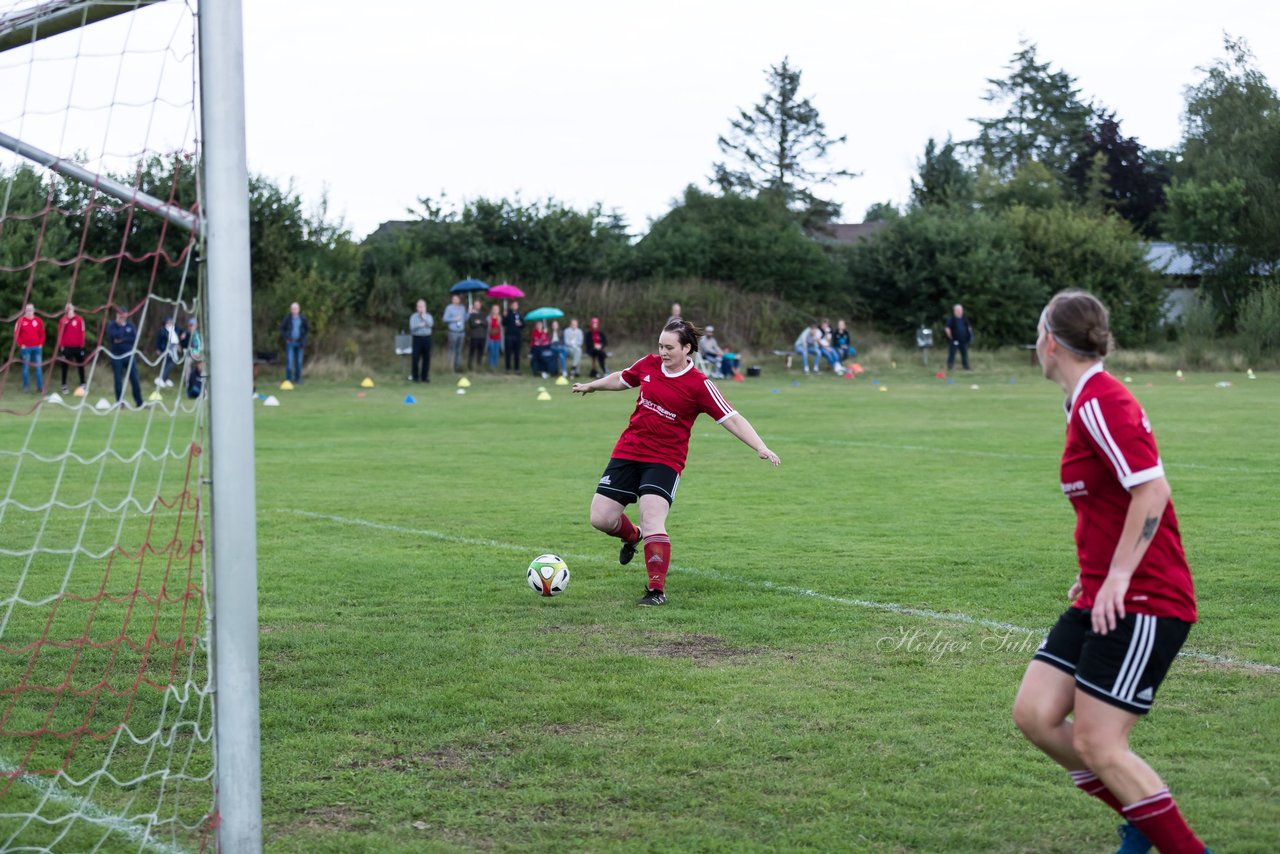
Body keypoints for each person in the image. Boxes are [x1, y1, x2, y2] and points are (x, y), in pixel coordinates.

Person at [1012, 290, 1209, 854]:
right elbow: (1111, 502)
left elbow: (1152, 489)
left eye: (1036, 333)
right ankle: (1143, 818)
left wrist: (1120, 575)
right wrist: (1097, 571)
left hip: (1146, 599)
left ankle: (1171, 838)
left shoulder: (1101, 400)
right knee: (1036, 714)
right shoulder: (1081, 402)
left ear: (1050, 341)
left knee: (1102, 745)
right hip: (1103, 593)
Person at [572, 318, 781, 606]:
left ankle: (656, 591)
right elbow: (622, 378)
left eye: (669, 347)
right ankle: (633, 537)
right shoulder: (649, 364)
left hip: (665, 459)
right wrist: (592, 386)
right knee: (601, 518)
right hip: (628, 451)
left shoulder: (699, 385)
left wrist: (760, 446)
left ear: (687, 349)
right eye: (660, 346)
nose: (663, 352)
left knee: (652, 517)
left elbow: (730, 416)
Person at [106, 305, 143, 408]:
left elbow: (134, 339)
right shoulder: (112, 325)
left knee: (135, 379)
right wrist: (121, 327)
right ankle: (120, 403)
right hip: (116, 356)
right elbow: (114, 336)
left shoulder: (130, 326)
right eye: (120, 316)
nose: (122, 318)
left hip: (129, 356)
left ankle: (139, 402)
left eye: (124, 316)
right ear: (117, 315)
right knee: (118, 380)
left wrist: (122, 340)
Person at [56, 303, 88, 394]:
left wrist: (82, 345)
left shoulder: (79, 319)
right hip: (66, 347)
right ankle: (64, 385)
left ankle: (83, 384)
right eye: (67, 309)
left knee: (80, 365)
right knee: (64, 367)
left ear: (73, 309)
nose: (69, 310)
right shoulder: (62, 320)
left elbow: (82, 332)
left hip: (78, 347)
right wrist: (61, 346)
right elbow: (60, 334)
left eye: (70, 308)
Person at [15, 303, 45, 394]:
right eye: (27, 309)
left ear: (34, 310)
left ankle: (40, 387)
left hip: (37, 348)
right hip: (26, 348)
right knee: (25, 368)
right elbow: (16, 334)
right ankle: (26, 387)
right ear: (25, 310)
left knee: (38, 368)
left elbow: (42, 333)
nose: (29, 311)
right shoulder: (20, 321)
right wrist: (21, 344)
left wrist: (41, 344)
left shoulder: (38, 320)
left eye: (31, 309)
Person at [279, 302, 309, 384]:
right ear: (291, 310)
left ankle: (298, 379)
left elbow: (306, 330)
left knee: (299, 362)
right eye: (293, 309)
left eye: (296, 308)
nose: (294, 310)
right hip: (290, 343)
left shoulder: (303, 319)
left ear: (299, 310)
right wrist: (286, 338)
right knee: (289, 361)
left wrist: (304, 340)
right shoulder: (287, 319)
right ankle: (288, 380)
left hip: (300, 343)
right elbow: (282, 329)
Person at [409, 299, 433, 382]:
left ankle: (424, 377)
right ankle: (415, 377)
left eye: (422, 306)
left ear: (425, 307)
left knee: (426, 358)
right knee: (415, 358)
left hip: (427, 338)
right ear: (417, 308)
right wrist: (420, 325)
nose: (421, 308)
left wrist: (424, 318)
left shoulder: (428, 316)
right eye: (419, 307)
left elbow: (430, 324)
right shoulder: (413, 316)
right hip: (417, 338)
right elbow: (412, 328)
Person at [944, 303, 973, 370]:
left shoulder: (964, 319)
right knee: (952, 353)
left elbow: (969, 328)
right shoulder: (952, 319)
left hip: (963, 340)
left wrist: (970, 335)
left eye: (961, 310)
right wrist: (950, 337)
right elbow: (947, 329)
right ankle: (950, 366)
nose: (960, 311)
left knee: (964, 354)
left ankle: (966, 366)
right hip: (955, 340)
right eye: (958, 310)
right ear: (955, 311)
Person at [442, 294, 467, 372]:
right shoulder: (449, 308)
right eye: (454, 299)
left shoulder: (462, 308)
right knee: (452, 350)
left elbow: (465, 318)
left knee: (459, 350)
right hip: (453, 332)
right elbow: (445, 319)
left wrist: (469, 312)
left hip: (461, 332)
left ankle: (457, 367)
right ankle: (450, 367)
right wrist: (454, 319)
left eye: (456, 299)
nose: (455, 300)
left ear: (459, 300)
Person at [155, 316, 181, 388]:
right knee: (167, 364)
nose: (170, 323)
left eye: (171, 322)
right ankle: (161, 378)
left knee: (171, 363)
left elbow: (179, 331)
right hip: (165, 349)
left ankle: (165, 379)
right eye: (168, 322)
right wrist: (158, 349)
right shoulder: (162, 330)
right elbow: (158, 340)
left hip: (173, 349)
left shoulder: (174, 329)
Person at [182, 316, 203, 398]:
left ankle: (201, 387)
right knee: (187, 367)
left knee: (201, 369)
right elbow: (184, 343)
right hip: (190, 355)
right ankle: (189, 386)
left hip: (199, 355)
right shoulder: (187, 334)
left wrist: (200, 353)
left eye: (193, 325)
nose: (191, 327)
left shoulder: (198, 334)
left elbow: (200, 344)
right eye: (190, 325)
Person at [503, 300, 524, 373]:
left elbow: (523, 325)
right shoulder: (507, 313)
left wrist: (520, 324)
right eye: (513, 305)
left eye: (516, 305)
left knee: (517, 353)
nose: (515, 306)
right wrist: (504, 316)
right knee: (508, 353)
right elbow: (504, 323)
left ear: (517, 306)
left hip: (517, 336)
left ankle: (517, 369)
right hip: (509, 336)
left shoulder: (520, 314)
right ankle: (508, 369)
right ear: (511, 306)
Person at [466, 299, 487, 370]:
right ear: (474, 306)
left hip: (482, 336)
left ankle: (479, 365)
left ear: (480, 305)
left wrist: (480, 322)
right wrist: (479, 323)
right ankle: (470, 366)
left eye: (478, 304)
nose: (477, 306)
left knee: (480, 352)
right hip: (474, 336)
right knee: (472, 352)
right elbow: (472, 324)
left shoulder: (483, 314)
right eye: (475, 304)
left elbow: (486, 324)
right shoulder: (471, 314)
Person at [486, 304, 503, 370]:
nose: (495, 310)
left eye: (497, 309)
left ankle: (495, 366)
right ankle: (491, 366)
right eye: (494, 309)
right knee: (491, 352)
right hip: (490, 338)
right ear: (492, 310)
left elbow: (502, 329)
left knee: (496, 353)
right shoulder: (488, 318)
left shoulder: (500, 318)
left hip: (498, 338)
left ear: (499, 311)